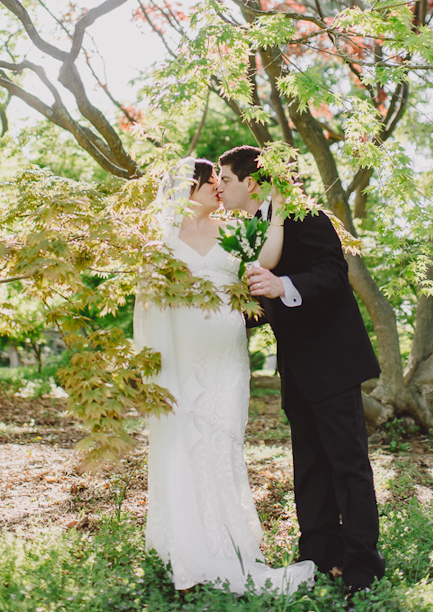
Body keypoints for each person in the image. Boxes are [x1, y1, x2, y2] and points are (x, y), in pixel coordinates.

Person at [133, 156, 315, 595]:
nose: (218, 186)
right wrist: (148, 366)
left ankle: (225, 540)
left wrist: (278, 213)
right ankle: (187, 543)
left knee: (221, 441)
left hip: (226, 360)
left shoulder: (234, 231)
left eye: (221, 179)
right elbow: (147, 307)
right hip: (181, 359)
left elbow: (264, 263)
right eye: (209, 180)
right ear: (187, 188)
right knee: (184, 441)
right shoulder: (159, 242)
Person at [217, 146, 385, 599]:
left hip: (333, 360)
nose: (219, 187)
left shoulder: (302, 214)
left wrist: (283, 285)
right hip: (297, 365)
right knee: (308, 465)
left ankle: (362, 566)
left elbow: (333, 270)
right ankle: (317, 553)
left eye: (226, 179)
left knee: (347, 465)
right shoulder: (248, 231)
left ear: (251, 182)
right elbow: (255, 303)